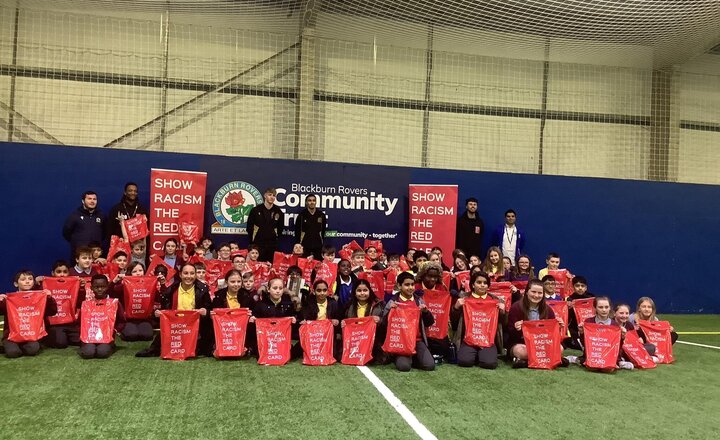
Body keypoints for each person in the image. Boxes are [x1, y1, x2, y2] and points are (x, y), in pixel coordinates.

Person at [135, 264, 213, 357]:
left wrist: (205, 312)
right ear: (180, 275)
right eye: (186, 273)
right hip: (175, 327)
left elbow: (210, 310)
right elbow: (164, 310)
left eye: (192, 273)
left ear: (195, 275)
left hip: (195, 327)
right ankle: (154, 349)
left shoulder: (203, 290)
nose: (189, 276)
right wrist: (159, 313)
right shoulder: (171, 290)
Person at [383, 272, 436, 372]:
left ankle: (415, 357)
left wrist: (425, 312)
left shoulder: (419, 301)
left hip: (417, 340)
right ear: (399, 286)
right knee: (404, 367)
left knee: (430, 366)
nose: (411, 287)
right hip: (401, 341)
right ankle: (398, 356)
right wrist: (389, 313)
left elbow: (430, 323)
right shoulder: (392, 302)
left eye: (412, 284)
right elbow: (383, 325)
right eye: (407, 285)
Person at [506, 279, 565, 368]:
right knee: (520, 351)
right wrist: (516, 328)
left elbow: (552, 336)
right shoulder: (516, 307)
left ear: (543, 294)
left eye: (540, 293)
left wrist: (558, 327)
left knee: (560, 348)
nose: (536, 295)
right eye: (533, 292)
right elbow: (510, 333)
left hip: (541, 344)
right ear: (526, 292)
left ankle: (526, 362)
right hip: (521, 343)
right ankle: (549, 359)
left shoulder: (548, 310)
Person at [451, 272, 505, 369]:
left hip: (488, 340)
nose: (482, 285)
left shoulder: (496, 300)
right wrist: (456, 308)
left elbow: (503, 324)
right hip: (468, 339)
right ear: (472, 284)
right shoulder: (464, 298)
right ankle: (476, 354)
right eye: (479, 282)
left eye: (485, 283)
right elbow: (454, 323)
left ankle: (480, 355)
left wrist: (503, 312)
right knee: (464, 361)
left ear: (488, 285)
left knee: (490, 364)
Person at [1, 270, 57, 358]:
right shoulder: (9, 300)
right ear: (16, 284)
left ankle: (20, 346)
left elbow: (52, 312)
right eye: (23, 279)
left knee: (32, 349)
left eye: (30, 279)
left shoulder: (40, 298)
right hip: (11, 336)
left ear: (33, 282)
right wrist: (0, 301)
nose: (27, 281)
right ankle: (12, 346)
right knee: (13, 353)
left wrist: (49, 298)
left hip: (31, 336)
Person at [570, 297, 634, 370]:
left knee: (608, 369)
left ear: (610, 308)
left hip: (609, 357)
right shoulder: (588, 322)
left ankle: (619, 362)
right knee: (592, 367)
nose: (604, 310)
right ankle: (577, 359)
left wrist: (622, 337)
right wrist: (581, 333)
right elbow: (585, 344)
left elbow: (617, 347)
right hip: (593, 355)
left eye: (606, 307)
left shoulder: (615, 325)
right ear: (595, 308)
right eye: (600, 307)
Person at [79, 275, 126, 359]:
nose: (100, 289)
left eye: (103, 287)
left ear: (107, 287)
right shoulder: (86, 304)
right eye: (96, 287)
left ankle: (111, 346)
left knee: (102, 353)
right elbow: (80, 321)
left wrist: (114, 330)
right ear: (91, 288)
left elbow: (122, 321)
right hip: (89, 337)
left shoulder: (114, 303)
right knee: (88, 353)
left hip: (106, 338)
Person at [342, 279, 387, 363]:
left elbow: (387, 323)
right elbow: (344, 322)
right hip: (355, 341)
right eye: (359, 291)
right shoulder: (348, 306)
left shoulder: (380, 305)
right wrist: (342, 324)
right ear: (354, 293)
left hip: (374, 341)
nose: (362, 293)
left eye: (365, 290)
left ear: (370, 291)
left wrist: (380, 320)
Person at [117, 262, 163, 342]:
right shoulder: (124, 285)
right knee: (131, 335)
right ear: (129, 273)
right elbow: (112, 292)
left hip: (144, 319)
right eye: (134, 271)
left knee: (147, 336)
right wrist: (115, 281)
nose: (138, 273)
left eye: (140, 270)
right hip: (128, 319)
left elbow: (158, 298)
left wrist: (161, 283)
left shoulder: (149, 284)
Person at [63, 191, 105, 260]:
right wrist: (78, 243)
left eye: (94, 199)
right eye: (89, 199)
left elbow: (104, 233)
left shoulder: (101, 216)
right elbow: (66, 233)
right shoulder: (74, 216)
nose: (92, 201)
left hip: (96, 257)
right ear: (83, 201)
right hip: (79, 255)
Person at [246, 187, 284, 262]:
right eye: (270, 195)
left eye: (274, 195)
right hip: (258, 244)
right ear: (265, 195)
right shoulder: (256, 210)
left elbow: (280, 229)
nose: (272, 197)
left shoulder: (278, 211)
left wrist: (275, 237)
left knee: (270, 266)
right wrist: (252, 244)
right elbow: (249, 227)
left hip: (272, 245)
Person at [564, 275, 594, 350]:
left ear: (586, 288)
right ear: (573, 287)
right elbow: (567, 317)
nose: (580, 288)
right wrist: (568, 307)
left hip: (590, 328)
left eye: (582, 286)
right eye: (577, 286)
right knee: (572, 343)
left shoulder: (591, 298)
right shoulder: (569, 299)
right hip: (574, 328)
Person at [294, 194, 327, 260]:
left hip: (318, 246)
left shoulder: (321, 215)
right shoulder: (301, 215)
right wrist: (299, 244)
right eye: (309, 200)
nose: (312, 202)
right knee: (304, 267)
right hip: (305, 246)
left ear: (316, 202)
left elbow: (323, 231)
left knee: (318, 267)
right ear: (306, 202)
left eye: (314, 200)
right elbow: (297, 231)